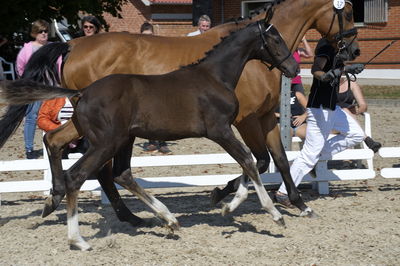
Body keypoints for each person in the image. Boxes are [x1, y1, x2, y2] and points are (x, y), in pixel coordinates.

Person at [275, 37, 365, 207]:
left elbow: (338, 67)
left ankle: (313, 159)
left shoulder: (338, 47)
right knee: (309, 155)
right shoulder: (325, 46)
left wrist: (349, 69)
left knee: (357, 134)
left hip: (333, 108)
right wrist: (328, 75)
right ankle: (282, 192)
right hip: (319, 108)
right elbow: (316, 70)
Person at [16, 19, 52, 159]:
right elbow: (20, 68)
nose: (43, 34)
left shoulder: (52, 46)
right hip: (33, 88)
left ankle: (55, 144)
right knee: (31, 117)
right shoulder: (27, 49)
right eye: (40, 31)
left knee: (53, 116)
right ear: (34, 33)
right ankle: (29, 149)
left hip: (51, 87)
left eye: (46, 31)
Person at [139, 21, 172, 155]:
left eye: (150, 35)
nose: (148, 38)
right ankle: (152, 141)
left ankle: (163, 141)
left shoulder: (160, 49)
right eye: (145, 36)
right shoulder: (138, 51)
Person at [276, 37, 313, 140]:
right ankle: (283, 121)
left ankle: (301, 123)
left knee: (300, 103)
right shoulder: (282, 51)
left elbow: (310, 54)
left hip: (296, 81)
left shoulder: (297, 50)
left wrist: (304, 40)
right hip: (283, 81)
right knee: (280, 102)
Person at [337, 77, 382, 152]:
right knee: (344, 111)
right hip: (331, 122)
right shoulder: (326, 84)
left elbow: (363, 105)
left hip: (349, 122)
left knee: (347, 113)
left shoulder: (351, 84)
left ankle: (347, 160)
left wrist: (357, 111)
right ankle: (366, 139)